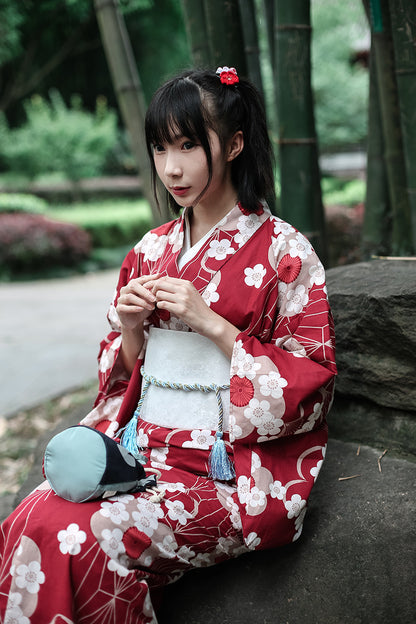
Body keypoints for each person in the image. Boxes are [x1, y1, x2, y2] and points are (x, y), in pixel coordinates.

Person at [0, 66, 336, 623]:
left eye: (187, 145)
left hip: (225, 477)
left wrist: (214, 324)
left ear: (233, 143)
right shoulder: (150, 248)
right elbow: (122, 377)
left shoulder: (286, 253)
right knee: (30, 519)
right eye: (160, 148)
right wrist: (132, 329)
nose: (171, 167)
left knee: (90, 535)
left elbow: (312, 386)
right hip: (137, 455)